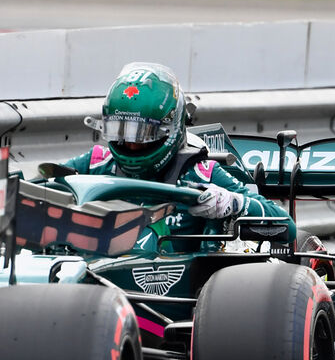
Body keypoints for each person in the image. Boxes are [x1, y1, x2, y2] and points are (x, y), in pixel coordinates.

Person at [62, 62, 284, 253]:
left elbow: (285, 225)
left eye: (143, 136)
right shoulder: (96, 163)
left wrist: (234, 203)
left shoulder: (201, 174)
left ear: (171, 129)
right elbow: (44, 185)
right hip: (92, 279)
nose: (130, 144)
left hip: (180, 286)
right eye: (121, 133)